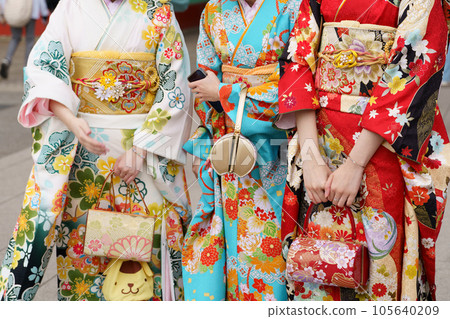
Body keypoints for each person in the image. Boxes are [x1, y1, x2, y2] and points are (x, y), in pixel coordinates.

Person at [0, 0, 192, 301]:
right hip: (81, 154)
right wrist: (72, 122)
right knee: (82, 248)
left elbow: (175, 86)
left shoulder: (159, 11)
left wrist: (140, 150)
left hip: (142, 152)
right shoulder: (71, 7)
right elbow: (43, 72)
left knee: (146, 249)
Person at [277, 0, 450, 301]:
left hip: (381, 146)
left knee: (380, 260)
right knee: (315, 262)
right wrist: (310, 156)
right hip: (320, 141)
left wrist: (355, 164)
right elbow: (299, 61)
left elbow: (411, 67)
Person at [181, 0, 302, 301]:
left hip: (281, 146)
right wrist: (207, 139)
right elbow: (203, 82)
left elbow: (298, 80)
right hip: (231, 150)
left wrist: (226, 92)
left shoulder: (295, 6)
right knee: (237, 244)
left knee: (279, 242)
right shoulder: (214, 10)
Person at [0, 0, 49, 79]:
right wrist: (44, 13)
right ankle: (27, 67)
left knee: (15, 38)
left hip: (15, 12)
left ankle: (7, 60)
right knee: (29, 41)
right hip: (31, 13)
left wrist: (2, 13)